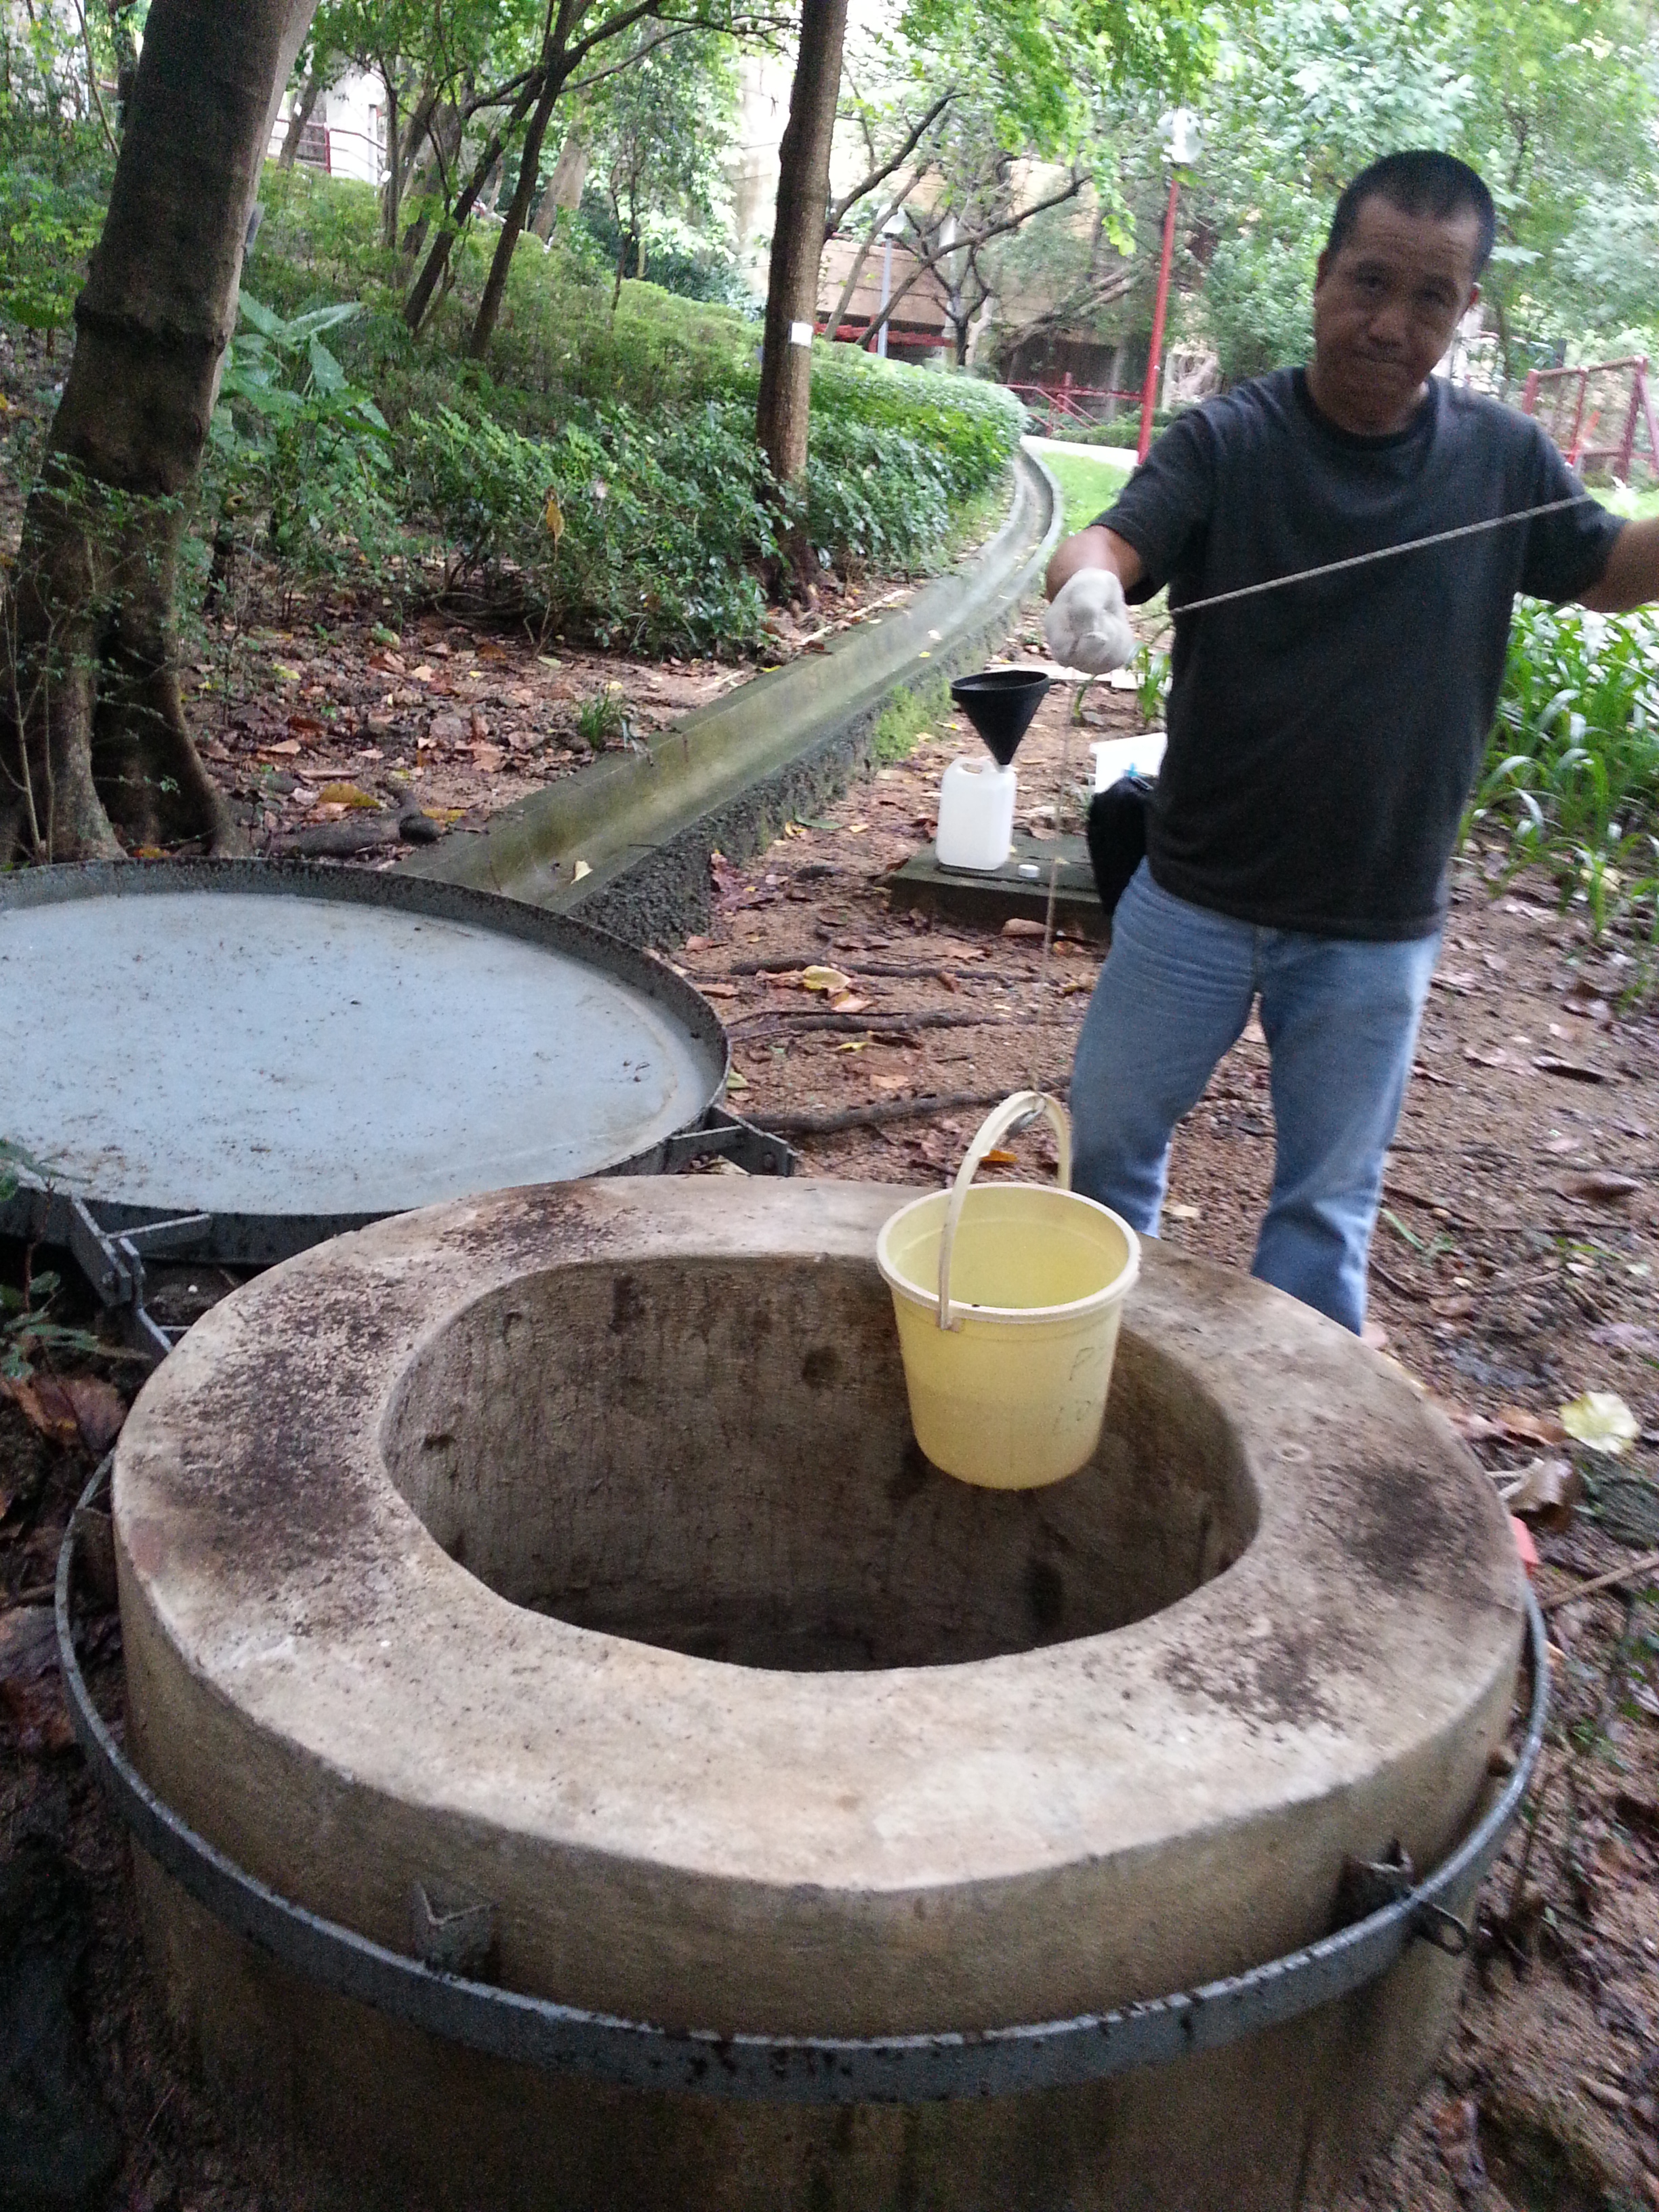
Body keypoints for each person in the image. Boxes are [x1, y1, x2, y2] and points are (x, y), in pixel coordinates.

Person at [1043, 148, 1659, 1336]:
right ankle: (1095, 1373)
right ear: (1324, 277)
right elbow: (1109, 542)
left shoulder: (1502, 458)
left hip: (1376, 919)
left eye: (1430, 297)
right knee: (1108, 1153)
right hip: (1194, 894)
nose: (1391, 322)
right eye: (1369, 282)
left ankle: (1298, 1452)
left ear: (1463, 310)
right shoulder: (1231, 439)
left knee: (1325, 1215)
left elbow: (1610, 570)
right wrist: (1087, 592)